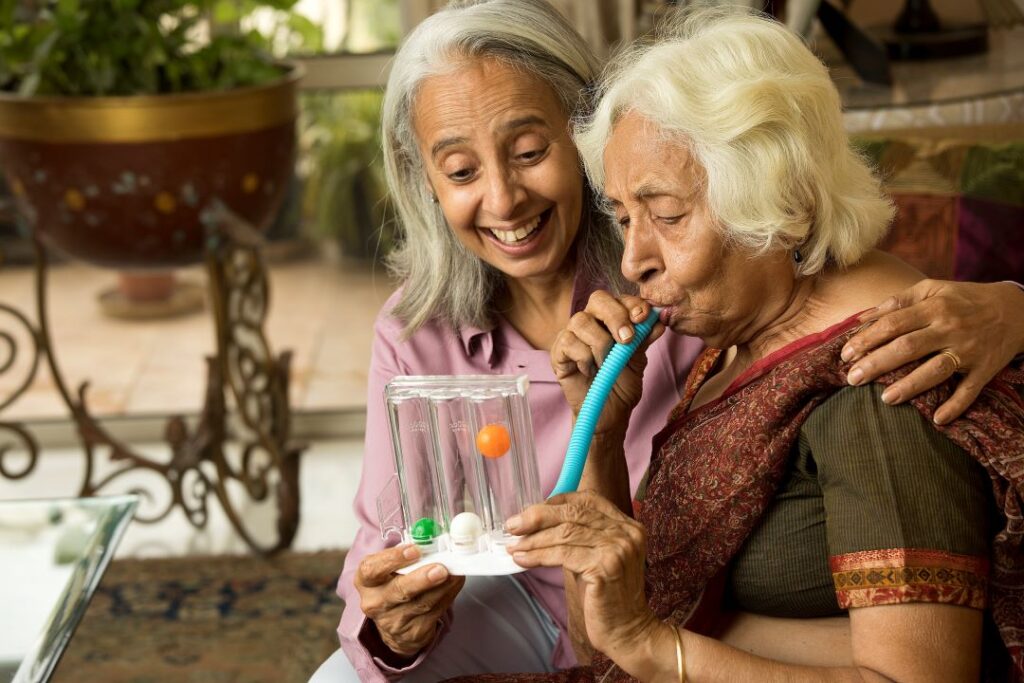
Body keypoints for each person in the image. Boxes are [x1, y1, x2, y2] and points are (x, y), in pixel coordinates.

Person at [313, 2, 1024, 681]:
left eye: (666, 214)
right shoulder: (718, 333)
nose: (631, 261)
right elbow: (610, 619)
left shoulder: (854, 359)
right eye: (624, 217)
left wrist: (1014, 306)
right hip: (573, 628)